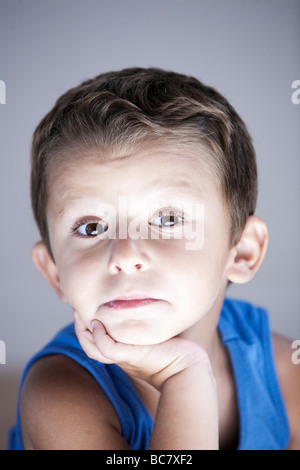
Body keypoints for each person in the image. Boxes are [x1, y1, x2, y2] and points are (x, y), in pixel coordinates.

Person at [9, 67, 299, 450]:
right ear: (55, 273)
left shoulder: (284, 373)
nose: (126, 256)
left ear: (242, 251)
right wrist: (185, 379)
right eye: (92, 228)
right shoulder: (58, 393)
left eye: (168, 220)